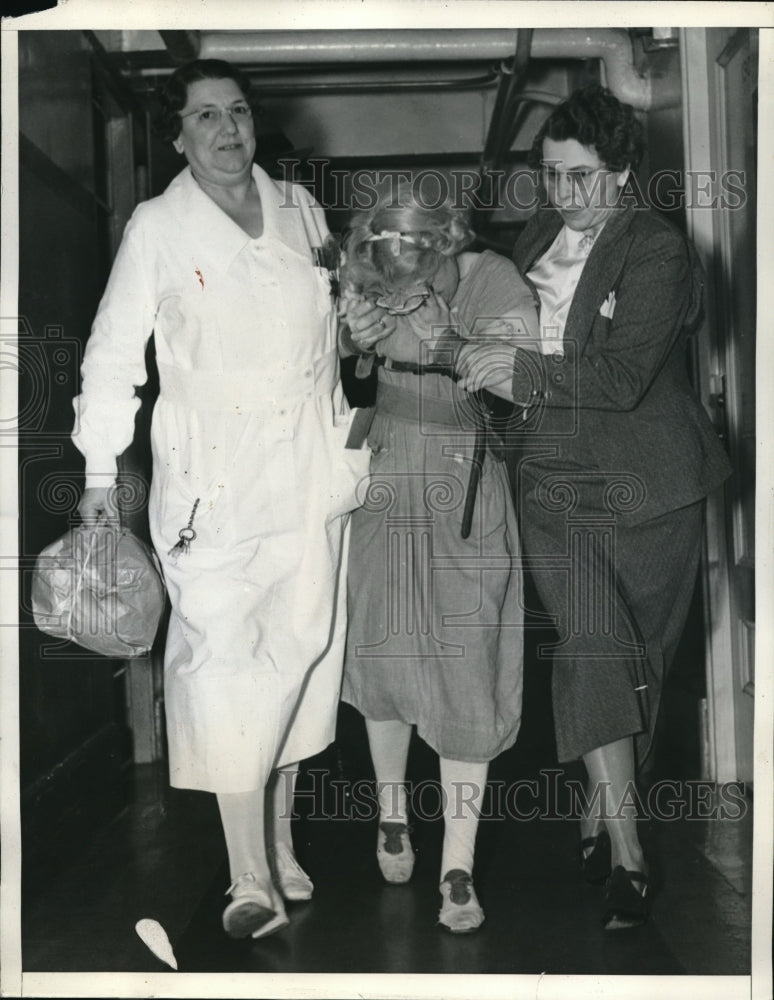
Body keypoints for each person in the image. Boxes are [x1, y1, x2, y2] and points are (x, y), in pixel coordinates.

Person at [358, 85, 732, 930]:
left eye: (583, 178)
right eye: (554, 178)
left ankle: (604, 813)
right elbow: (471, 310)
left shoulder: (658, 251)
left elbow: (621, 378)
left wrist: (514, 370)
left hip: (652, 483)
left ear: (624, 174)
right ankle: (631, 857)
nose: (566, 195)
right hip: (553, 480)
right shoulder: (534, 239)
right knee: (594, 644)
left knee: (645, 662)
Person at [72, 58, 369, 940]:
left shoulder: (303, 212)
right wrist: (97, 475)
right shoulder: (157, 228)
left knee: (301, 649)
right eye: (205, 115)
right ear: (178, 135)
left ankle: (277, 841)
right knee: (226, 659)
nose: (227, 128)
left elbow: (340, 334)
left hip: (309, 466)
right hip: (211, 476)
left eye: (237, 111)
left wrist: (374, 328)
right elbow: (113, 354)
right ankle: (248, 875)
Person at [339, 181, 538, 933]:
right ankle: (392, 814)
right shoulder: (367, 274)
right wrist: (349, 341)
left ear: (449, 243)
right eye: (386, 273)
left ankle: (458, 863)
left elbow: (518, 389)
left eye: (416, 275)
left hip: (465, 487)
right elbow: (340, 386)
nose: (400, 287)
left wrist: (447, 342)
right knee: (381, 654)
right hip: (386, 477)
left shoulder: (497, 282)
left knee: (467, 669)